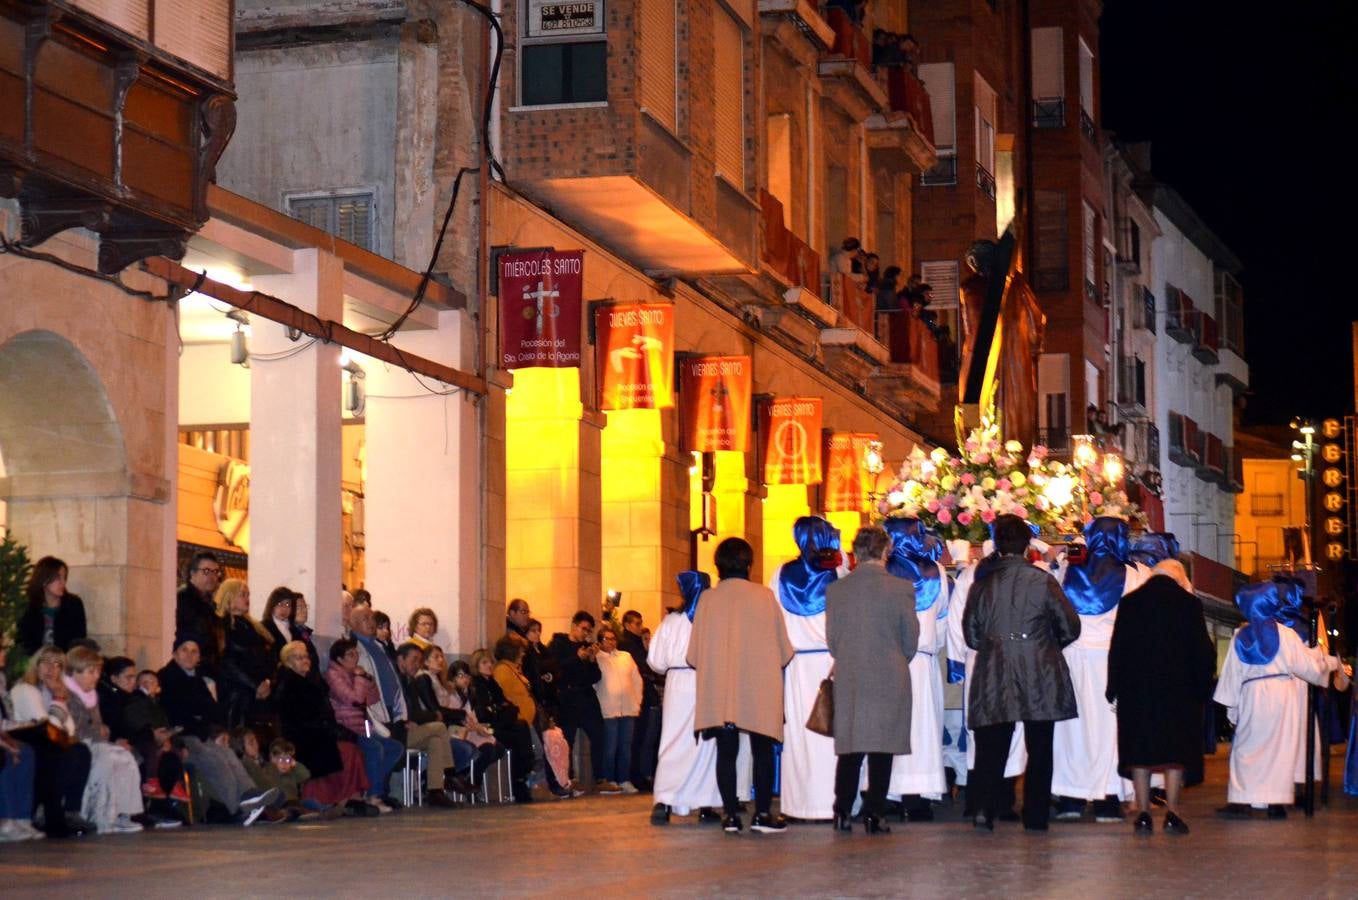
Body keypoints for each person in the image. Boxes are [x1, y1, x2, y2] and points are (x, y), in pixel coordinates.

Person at [964, 514, 1081, 832]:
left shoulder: (982, 584)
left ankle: (984, 810)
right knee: (1040, 746)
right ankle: (1036, 815)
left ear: (998, 545)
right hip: (1039, 668)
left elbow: (971, 636)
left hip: (995, 667)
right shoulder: (1043, 581)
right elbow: (1070, 626)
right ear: (1027, 544)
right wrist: (1046, 644)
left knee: (992, 745)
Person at [688, 537, 795, 834]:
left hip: (721, 691)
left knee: (726, 752)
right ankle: (762, 814)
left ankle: (730, 816)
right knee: (762, 751)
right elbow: (785, 651)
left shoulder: (707, 599)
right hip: (757, 689)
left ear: (718, 565)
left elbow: (693, 655)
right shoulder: (764, 597)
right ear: (749, 564)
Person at [1214, 581, 1348, 819]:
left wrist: (1232, 709)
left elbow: (1232, 675)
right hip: (1282, 696)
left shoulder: (1240, 636)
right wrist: (1329, 664)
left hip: (1253, 696)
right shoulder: (1287, 635)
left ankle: (1242, 801)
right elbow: (1308, 667)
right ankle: (1276, 803)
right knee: (1279, 748)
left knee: (1246, 748)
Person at [1106, 559, 1215, 835]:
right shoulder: (1189, 604)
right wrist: (1203, 688)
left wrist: (1113, 687)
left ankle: (1143, 812)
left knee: (1139, 755)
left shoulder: (1130, 603)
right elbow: (1203, 651)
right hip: (1178, 693)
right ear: (1178, 578)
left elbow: (1118, 648)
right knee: (1175, 755)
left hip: (1137, 691)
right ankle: (1173, 813)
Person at [826, 525, 919, 835]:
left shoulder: (837, 589)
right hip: (889, 673)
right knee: (882, 748)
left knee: (850, 748)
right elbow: (910, 640)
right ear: (884, 551)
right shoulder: (901, 588)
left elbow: (833, 641)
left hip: (851, 673)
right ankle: (874, 813)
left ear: (856, 553)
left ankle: (841, 810)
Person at [1053, 516, 1147, 822]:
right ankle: (1107, 798)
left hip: (1073, 659)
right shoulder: (1136, 575)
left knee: (1071, 730)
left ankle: (1071, 797)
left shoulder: (1068, 569)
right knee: (1110, 733)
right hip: (1112, 661)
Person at [157, 641, 280, 825]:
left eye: (194, 651)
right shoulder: (166, 677)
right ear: (174, 654)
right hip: (181, 736)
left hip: (202, 732)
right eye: (184, 650)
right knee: (211, 757)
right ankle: (235, 809)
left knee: (227, 753)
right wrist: (202, 723)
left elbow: (212, 709)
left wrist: (220, 731)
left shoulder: (197, 679)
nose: (189, 655)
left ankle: (249, 795)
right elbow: (174, 712)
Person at [771, 516, 843, 821]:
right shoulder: (838, 572)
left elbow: (773, 618)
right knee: (832, 734)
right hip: (832, 661)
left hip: (797, 663)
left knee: (801, 735)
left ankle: (799, 805)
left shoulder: (781, 574)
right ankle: (834, 802)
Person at [348, 607, 458, 807]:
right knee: (432, 730)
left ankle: (435, 789)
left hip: (393, 716)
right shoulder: (354, 647)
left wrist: (403, 717)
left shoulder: (379, 647)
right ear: (353, 623)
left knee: (434, 741)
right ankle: (448, 775)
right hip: (372, 716)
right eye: (366, 619)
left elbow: (393, 687)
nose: (371, 622)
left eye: (372, 618)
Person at [649, 571, 732, 825]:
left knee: (675, 740)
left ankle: (665, 802)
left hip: (678, 685)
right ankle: (704, 804)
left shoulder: (670, 622)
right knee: (705, 743)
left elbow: (655, 661)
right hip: (706, 682)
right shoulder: (714, 619)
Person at [881, 517, 950, 820]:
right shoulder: (938, 573)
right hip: (922, 660)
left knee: (889, 725)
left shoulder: (879, 572)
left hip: (887, 660)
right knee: (922, 727)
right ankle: (917, 795)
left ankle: (888, 792)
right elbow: (943, 621)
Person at [274, 640, 377, 814]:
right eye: (299, 658)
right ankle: (335, 798)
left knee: (351, 748)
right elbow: (302, 717)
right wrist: (333, 731)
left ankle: (350, 798)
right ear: (288, 661)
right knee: (347, 751)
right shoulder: (289, 683)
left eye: (306, 656)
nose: (305, 660)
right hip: (303, 737)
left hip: (318, 732)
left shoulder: (307, 681)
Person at [9, 645, 94, 836]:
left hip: (48, 744)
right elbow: (47, 728)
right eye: (46, 662)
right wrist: (58, 700)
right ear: (36, 665)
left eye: (57, 665)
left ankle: (70, 811)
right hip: (29, 742)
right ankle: (48, 813)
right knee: (64, 753)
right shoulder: (25, 689)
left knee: (81, 751)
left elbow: (70, 729)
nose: (51, 669)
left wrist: (58, 700)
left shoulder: (52, 692)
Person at [59, 646, 146, 832]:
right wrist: (98, 731)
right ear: (75, 671)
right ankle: (99, 813)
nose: (96, 676)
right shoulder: (66, 694)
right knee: (106, 759)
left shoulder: (91, 695)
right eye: (91, 672)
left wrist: (101, 731)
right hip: (75, 743)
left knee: (125, 757)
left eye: (98, 671)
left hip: (93, 741)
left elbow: (99, 726)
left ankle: (124, 813)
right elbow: (74, 727)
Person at [324, 638, 404, 810]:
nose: (356, 658)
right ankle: (373, 796)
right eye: (351, 655)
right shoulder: (333, 675)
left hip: (363, 726)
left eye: (356, 654)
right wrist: (360, 679)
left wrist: (370, 681)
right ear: (339, 659)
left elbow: (372, 700)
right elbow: (355, 699)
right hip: (346, 727)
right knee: (375, 748)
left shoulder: (355, 674)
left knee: (395, 748)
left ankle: (373, 788)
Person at [549, 611, 608, 791]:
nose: (585, 634)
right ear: (574, 625)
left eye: (589, 631)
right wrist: (577, 658)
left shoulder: (587, 647)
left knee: (599, 734)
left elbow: (595, 676)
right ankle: (569, 778)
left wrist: (590, 660)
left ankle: (600, 778)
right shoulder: (558, 644)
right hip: (567, 697)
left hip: (586, 696)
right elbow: (556, 669)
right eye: (583, 629)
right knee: (568, 739)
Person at [213, 579, 275, 729]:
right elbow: (226, 662)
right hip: (234, 693)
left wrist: (267, 681)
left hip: (257, 692)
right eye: (242, 595)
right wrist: (254, 685)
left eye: (248, 595)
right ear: (229, 596)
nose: (247, 599)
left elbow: (267, 656)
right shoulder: (220, 625)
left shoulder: (252, 625)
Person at [594, 625, 643, 794]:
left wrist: (637, 701)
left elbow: (636, 679)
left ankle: (624, 779)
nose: (610, 642)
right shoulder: (597, 658)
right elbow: (594, 683)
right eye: (606, 639)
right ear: (600, 641)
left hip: (628, 708)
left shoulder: (626, 656)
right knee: (610, 746)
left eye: (613, 638)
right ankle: (609, 779)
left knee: (625, 746)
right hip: (608, 709)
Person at [618, 610, 659, 788]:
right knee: (638, 739)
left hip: (644, 695)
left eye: (641, 623)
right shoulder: (627, 644)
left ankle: (641, 775)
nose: (640, 627)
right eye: (636, 624)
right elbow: (643, 667)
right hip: (637, 696)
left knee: (643, 739)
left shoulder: (636, 642)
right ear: (627, 625)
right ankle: (636, 776)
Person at [18, 556, 87, 654]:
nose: (63, 583)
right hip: (36, 664)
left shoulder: (73, 604)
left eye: (64, 578)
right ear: (44, 579)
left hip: (66, 663)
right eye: (58, 578)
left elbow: (79, 641)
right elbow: (23, 643)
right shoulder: (28, 606)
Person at [175, 552, 224, 673]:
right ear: (192, 573)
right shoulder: (183, 600)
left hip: (209, 669)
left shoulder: (211, 605)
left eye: (216, 572)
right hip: (192, 668)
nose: (212, 576)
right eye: (206, 571)